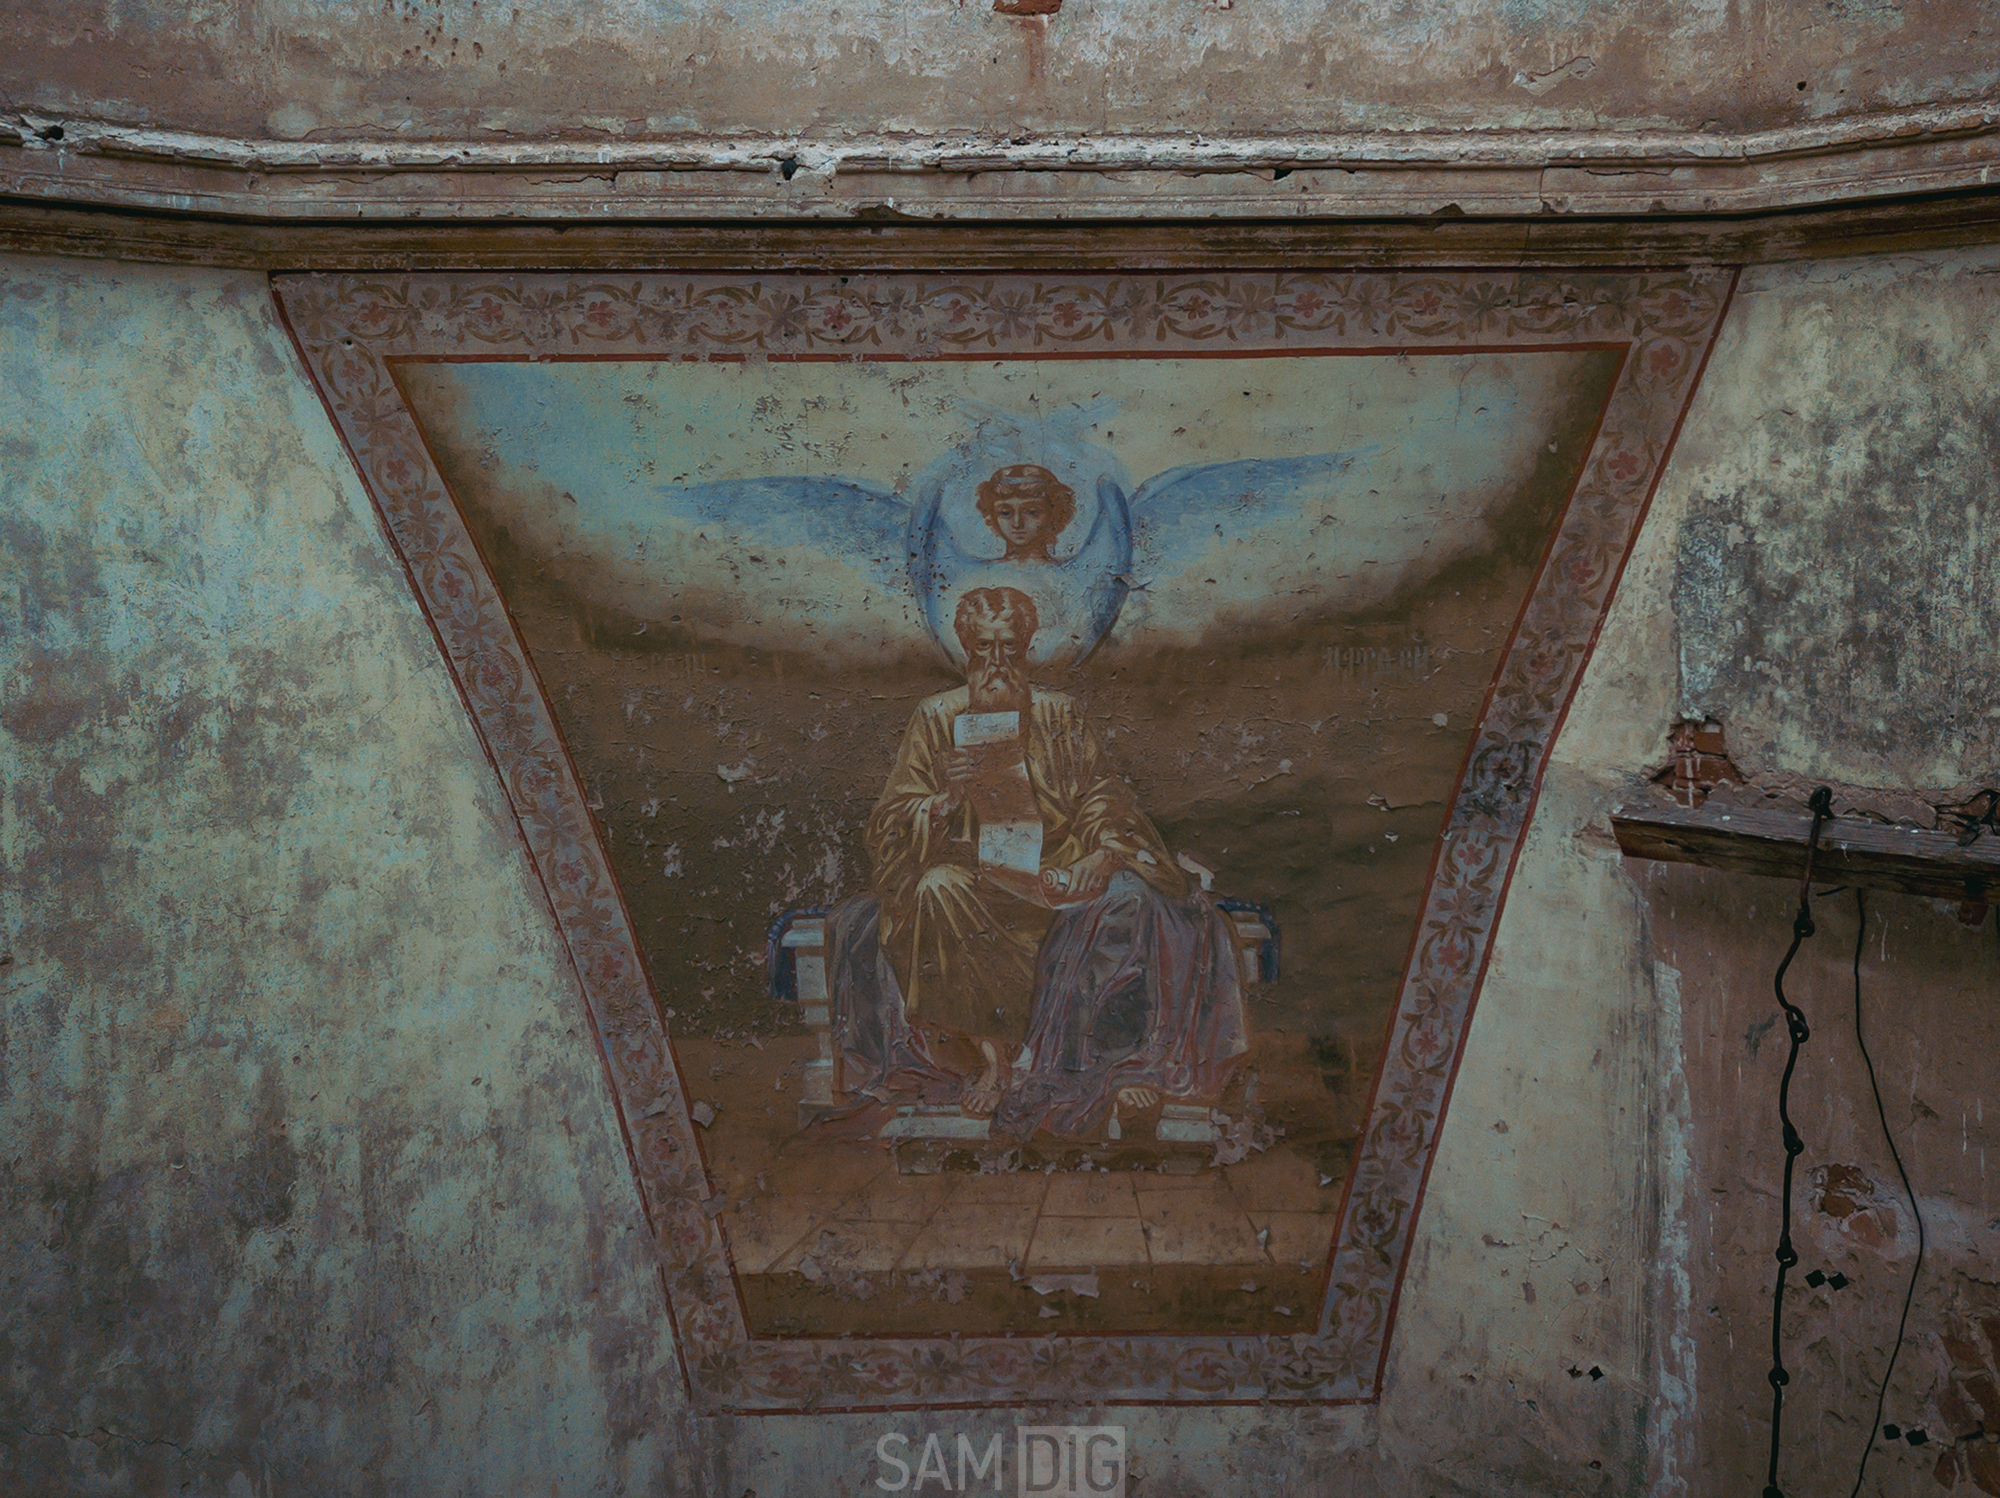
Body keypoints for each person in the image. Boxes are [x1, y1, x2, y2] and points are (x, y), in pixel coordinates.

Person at [841, 584, 1248, 1132]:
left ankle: (1103, 1069)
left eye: (1009, 648)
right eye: (983, 649)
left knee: (1133, 902)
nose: (997, 664)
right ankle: (993, 1058)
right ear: (965, 649)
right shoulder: (937, 718)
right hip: (977, 881)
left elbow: (1103, 797)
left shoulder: (1061, 716)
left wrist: (1102, 857)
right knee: (937, 887)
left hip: (1057, 877)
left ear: (1028, 647)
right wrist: (943, 801)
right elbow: (890, 822)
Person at [974, 464, 1074, 562]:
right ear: (991, 517)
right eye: (1005, 513)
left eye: (1032, 512)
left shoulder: (1068, 574)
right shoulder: (978, 573)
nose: (1017, 524)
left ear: (1055, 513)